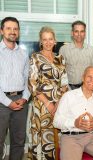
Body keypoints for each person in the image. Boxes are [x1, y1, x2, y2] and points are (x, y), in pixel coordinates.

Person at [53, 66, 93, 160]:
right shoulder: (68, 96)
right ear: (83, 78)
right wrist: (74, 123)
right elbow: (56, 121)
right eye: (89, 76)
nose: (92, 80)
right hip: (70, 137)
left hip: (91, 137)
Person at [28, 26, 68, 159]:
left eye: (50, 39)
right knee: (41, 138)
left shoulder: (60, 58)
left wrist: (57, 104)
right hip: (41, 106)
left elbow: (64, 83)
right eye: (44, 39)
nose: (48, 42)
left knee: (55, 137)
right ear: (40, 41)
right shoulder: (35, 57)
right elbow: (33, 84)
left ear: (55, 41)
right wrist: (48, 104)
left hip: (58, 105)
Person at [0, 17, 30, 160]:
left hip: (21, 101)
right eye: (8, 28)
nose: (12, 32)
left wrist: (24, 98)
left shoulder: (23, 54)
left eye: (15, 29)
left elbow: (27, 79)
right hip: (1, 102)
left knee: (19, 141)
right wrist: (8, 102)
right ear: (1, 31)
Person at [59, 20, 93, 90]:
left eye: (82, 31)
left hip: (87, 89)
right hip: (69, 89)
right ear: (72, 33)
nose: (79, 34)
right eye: (76, 31)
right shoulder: (64, 50)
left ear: (85, 33)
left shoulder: (92, 50)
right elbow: (60, 72)